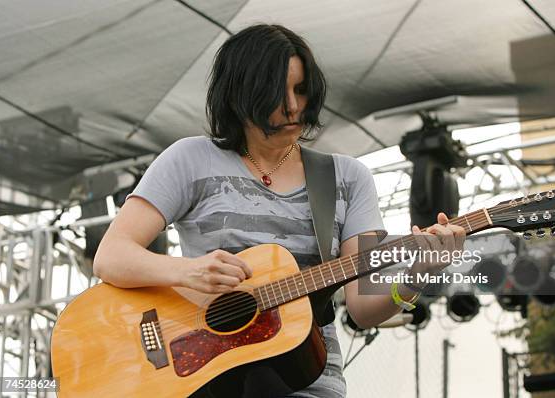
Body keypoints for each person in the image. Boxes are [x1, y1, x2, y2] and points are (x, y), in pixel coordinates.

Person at [93, 24, 466, 398]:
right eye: (276, 92)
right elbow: (110, 257)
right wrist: (187, 270)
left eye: (301, 90)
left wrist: (418, 275)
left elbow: (364, 309)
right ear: (239, 93)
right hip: (208, 377)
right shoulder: (189, 159)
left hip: (308, 382)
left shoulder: (347, 178)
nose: (293, 106)